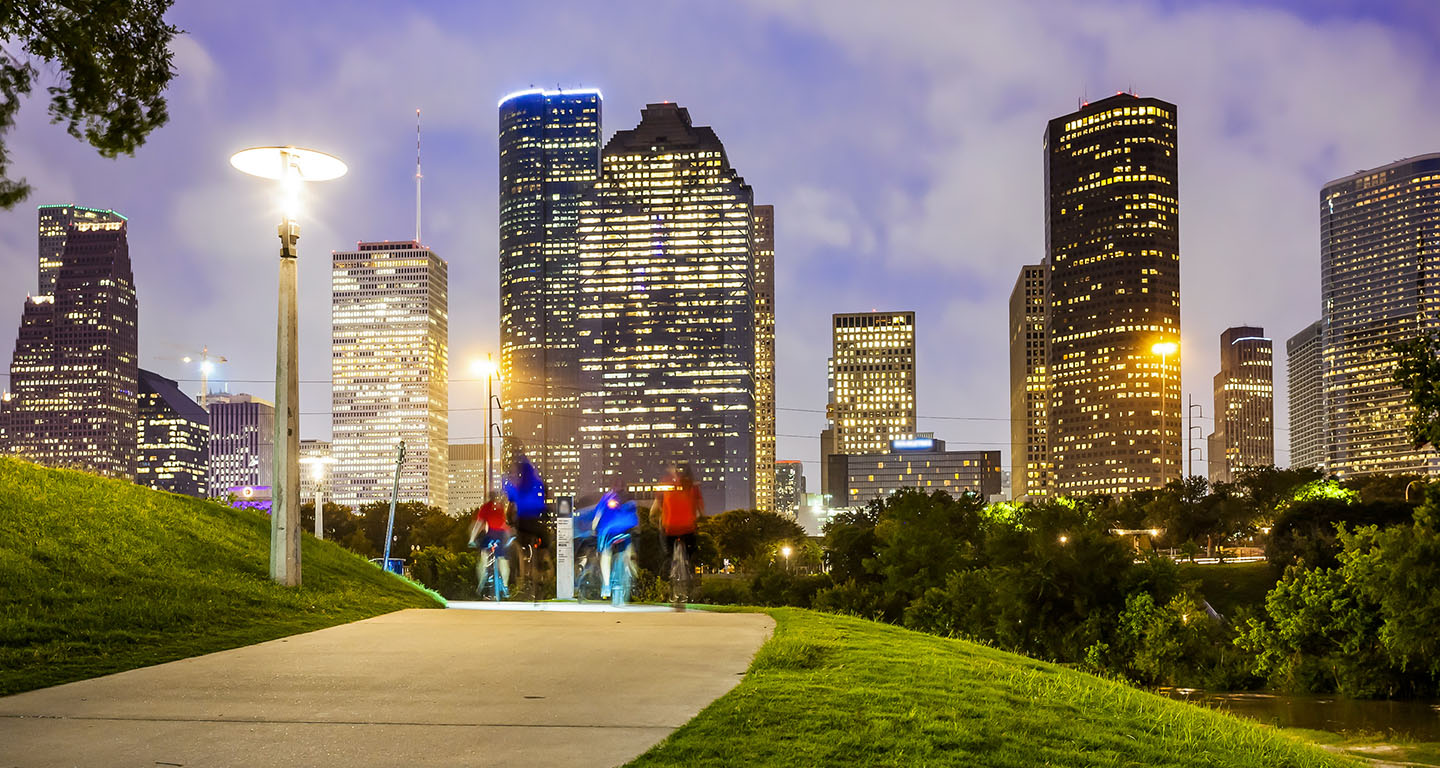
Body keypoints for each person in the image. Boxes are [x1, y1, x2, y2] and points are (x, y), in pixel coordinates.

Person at [651, 464, 703, 603]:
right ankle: (691, 574)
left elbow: (652, 513)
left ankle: (667, 583)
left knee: (667, 555)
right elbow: (701, 512)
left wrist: (656, 523)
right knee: (692, 555)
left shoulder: (666, 486)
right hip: (688, 529)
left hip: (670, 528)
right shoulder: (694, 488)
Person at [503, 453, 550, 597]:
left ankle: (524, 565)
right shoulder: (538, 484)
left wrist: (509, 522)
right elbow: (545, 499)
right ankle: (541, 562)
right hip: (536, 522)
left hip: (522, 523)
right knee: (546, 538)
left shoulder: (517, 486)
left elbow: (511, 506)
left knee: (519, 544)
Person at [592, 487, 639, 600]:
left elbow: (597, 517)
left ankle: (607, 585)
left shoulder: (607, 497)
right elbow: (635, 521)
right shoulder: (630, 500)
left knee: (606, 554)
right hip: (625, 532)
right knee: (628, 552)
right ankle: (630, 571)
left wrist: (593, 528)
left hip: (608, 532)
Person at [468, 491, 509, 599]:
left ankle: (481, 582)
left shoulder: (485, 508)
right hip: (501, 534)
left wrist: (472, 539)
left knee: (484, 557)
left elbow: (479, 524)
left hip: (490, 534)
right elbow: (504, 524)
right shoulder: (501, 507)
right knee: (503, 559)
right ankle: (505, 585)